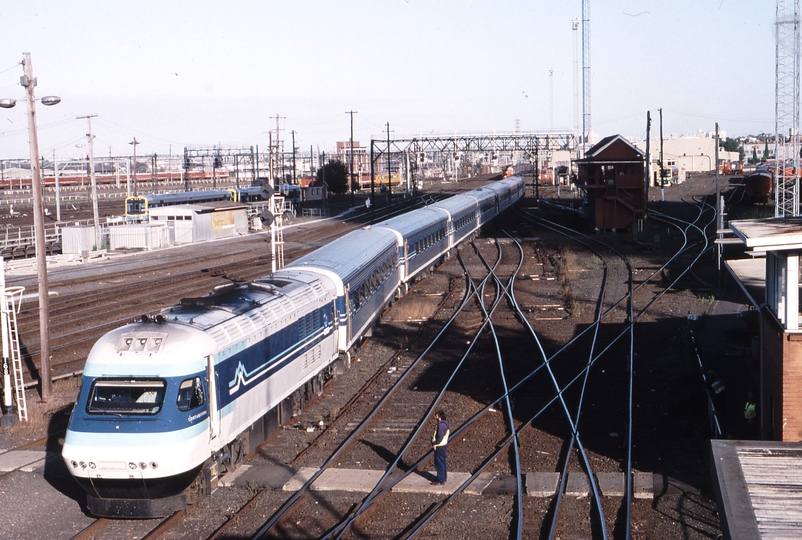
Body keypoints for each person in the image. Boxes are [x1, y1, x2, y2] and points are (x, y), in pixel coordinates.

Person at [431, 410, 450, 485]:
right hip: (443, 445)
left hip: (439, 446)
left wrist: (436, 444)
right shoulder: (446, 423)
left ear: (439, 417)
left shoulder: (441, 425)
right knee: (442, 462)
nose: (435, 417)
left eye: (436, 416)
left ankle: (440, 480)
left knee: (439, 463)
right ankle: (443, 478)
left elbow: (440, 436)